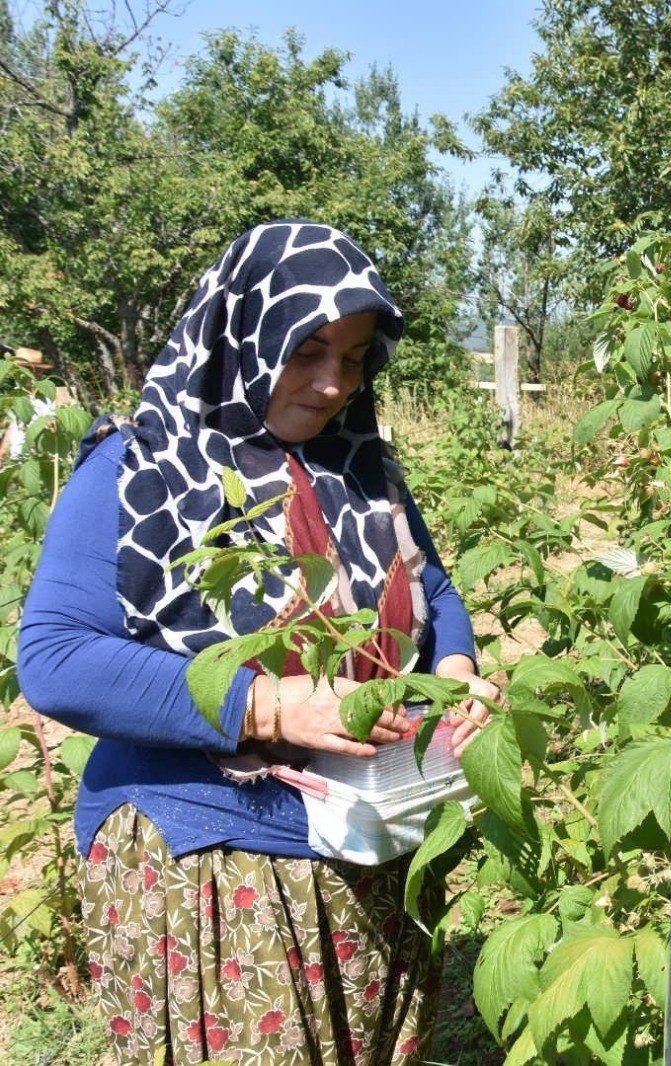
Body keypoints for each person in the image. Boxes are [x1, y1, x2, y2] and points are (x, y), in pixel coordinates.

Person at [19, 220, 500, 1065]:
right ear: (242, 333)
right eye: (307, 349)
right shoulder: (141, 469)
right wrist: (272, 703)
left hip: (372, 836)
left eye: (353, 359)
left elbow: (434, 588)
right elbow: (57, 657)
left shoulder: (361, 469)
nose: (330, 384)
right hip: (215, 860)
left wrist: (454, 673)